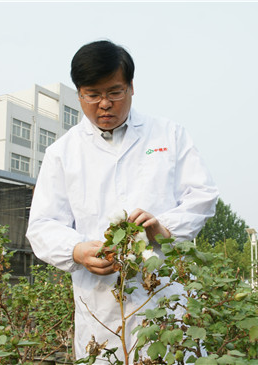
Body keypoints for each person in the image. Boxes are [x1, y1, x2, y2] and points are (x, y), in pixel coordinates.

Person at [26, 40, 218, 363]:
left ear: (131, 87)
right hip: (98, 312)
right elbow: (42, 225)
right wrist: (78, 250)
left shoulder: (168, 136)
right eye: (93, 94)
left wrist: (163, 229)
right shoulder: (63, 153)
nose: (104, 104)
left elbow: (203, 196)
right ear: (79, 95)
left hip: (163, 300)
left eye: (114, 92)